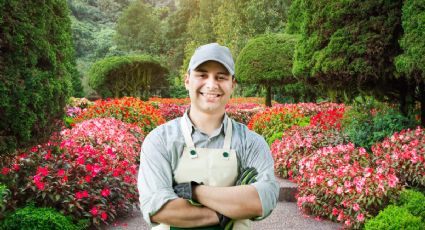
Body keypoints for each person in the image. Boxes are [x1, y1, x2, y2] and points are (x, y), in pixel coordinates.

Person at [137, 43, 279, 230]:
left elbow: (262, 201)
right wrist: (226, 211)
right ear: (187, 80)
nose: (211, 84)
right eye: (202, 75)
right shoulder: (160, 140)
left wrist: (195, 191)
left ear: (232, 84)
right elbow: (158, 209)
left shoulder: (251, 143)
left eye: (221, 77)